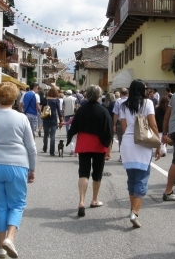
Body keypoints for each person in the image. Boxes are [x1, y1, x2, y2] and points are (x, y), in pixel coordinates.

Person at [0, 82, 36, 259]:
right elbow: (31, 147)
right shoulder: (22, 118)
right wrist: (32, 168)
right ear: (15, 98)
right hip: (18, 164)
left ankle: (1, 246)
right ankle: (10, 238)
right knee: (17, 204)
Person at [119, 79, 161, 227]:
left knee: (132, 178)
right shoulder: (147, 103)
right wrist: (158, 145)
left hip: (128, 142)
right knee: (142, 178)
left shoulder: (123, 105)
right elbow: (153, 124)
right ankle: (135, 213)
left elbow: (123, 127)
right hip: (142, 143)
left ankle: (132, 208)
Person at [67, 85, 112, 217]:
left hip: (84, 144)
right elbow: (108, 132)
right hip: (99, 144)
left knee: (83, 173)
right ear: (99, 96)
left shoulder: (81, 110)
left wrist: (70, 138)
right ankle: (94, 200)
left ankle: (81, 201)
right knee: (97, 173)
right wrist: (108, 149)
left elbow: (74, 127)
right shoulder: (104, 111)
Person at [42, 87, 63, 156]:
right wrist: (61, 120)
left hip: (45, 119)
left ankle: (45, 148)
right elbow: (59, 111)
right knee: (52, 136)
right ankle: (52, 152)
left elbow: (42, 109)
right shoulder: (56, 100)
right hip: (53, 119)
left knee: (45, 134)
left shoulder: (45, 100)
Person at [113, 88, 129, 160]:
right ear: (127, 94)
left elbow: (116, 114)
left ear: (121, 94)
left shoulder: (118, 102)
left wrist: (114, 124)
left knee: (121, 140)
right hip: (130, 123)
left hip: (120, 123)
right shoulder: (130, 101)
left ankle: (122, 156)